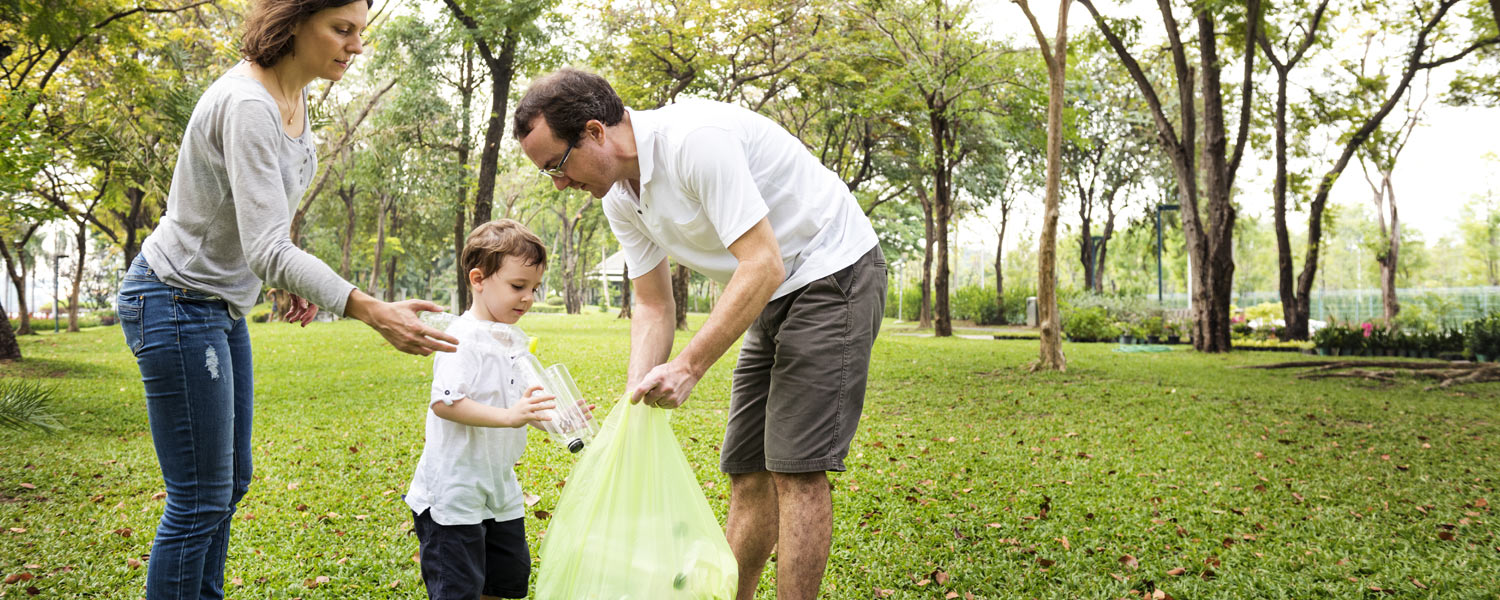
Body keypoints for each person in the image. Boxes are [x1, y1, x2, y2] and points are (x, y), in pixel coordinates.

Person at [115, 1, 456, 598]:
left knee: (229, 484)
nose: (355, 46)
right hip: (173, 300)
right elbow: (268, 244)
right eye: (341, 29)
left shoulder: (294, 106)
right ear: (294, 21)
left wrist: (280, 276)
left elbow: (261, 227)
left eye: (359, 33)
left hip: (217, 308)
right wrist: (371, 310)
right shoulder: (249, 106)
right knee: (199, 499)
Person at [513, 67, 887, 600]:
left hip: (832, 269)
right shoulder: (620, 196)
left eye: (558, 165)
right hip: (771, 290)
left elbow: (762, 263)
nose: (559, 184)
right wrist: (634, 402)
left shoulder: (694, 143)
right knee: (747, 468)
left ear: (595, 132)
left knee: (796, 468)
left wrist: (688, 366)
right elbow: (651, 302)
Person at [405, 220, 559, 600]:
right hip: (454, 494)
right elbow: (445, 402)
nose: (528, 298)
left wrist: (557, 420)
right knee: (459, 588)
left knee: (504, 582)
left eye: (534, 288)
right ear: (478, 279)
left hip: (499, 489)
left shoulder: (514, 339)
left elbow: (523, 405)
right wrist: (510, 417)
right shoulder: (462, 337)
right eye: (518, 286)